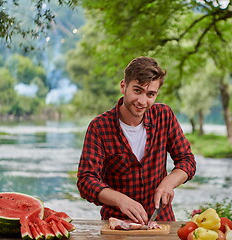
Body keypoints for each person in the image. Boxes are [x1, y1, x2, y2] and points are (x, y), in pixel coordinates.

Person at [77, 56, 196, 224]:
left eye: (150, 94)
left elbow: (187, 160)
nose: (142, 101)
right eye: (137, 91)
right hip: (118, 225)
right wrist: (120, 200)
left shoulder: (164, 116)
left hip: (161, 222)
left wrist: (169, 182)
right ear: (123, 86)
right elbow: (86, 180)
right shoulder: (99, 127)